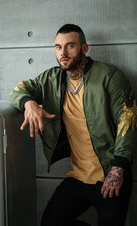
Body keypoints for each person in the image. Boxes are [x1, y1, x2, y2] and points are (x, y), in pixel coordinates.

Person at [10, 24, 137, 226]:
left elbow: (127, 119)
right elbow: (18, 89)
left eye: (70, 46)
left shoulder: (109, 76)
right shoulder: (51, 78)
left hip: (109, 175)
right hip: (78, 176)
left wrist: (118, 168)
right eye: (58, 47)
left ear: (84, 49)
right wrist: (29, 103)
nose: (63, 53)